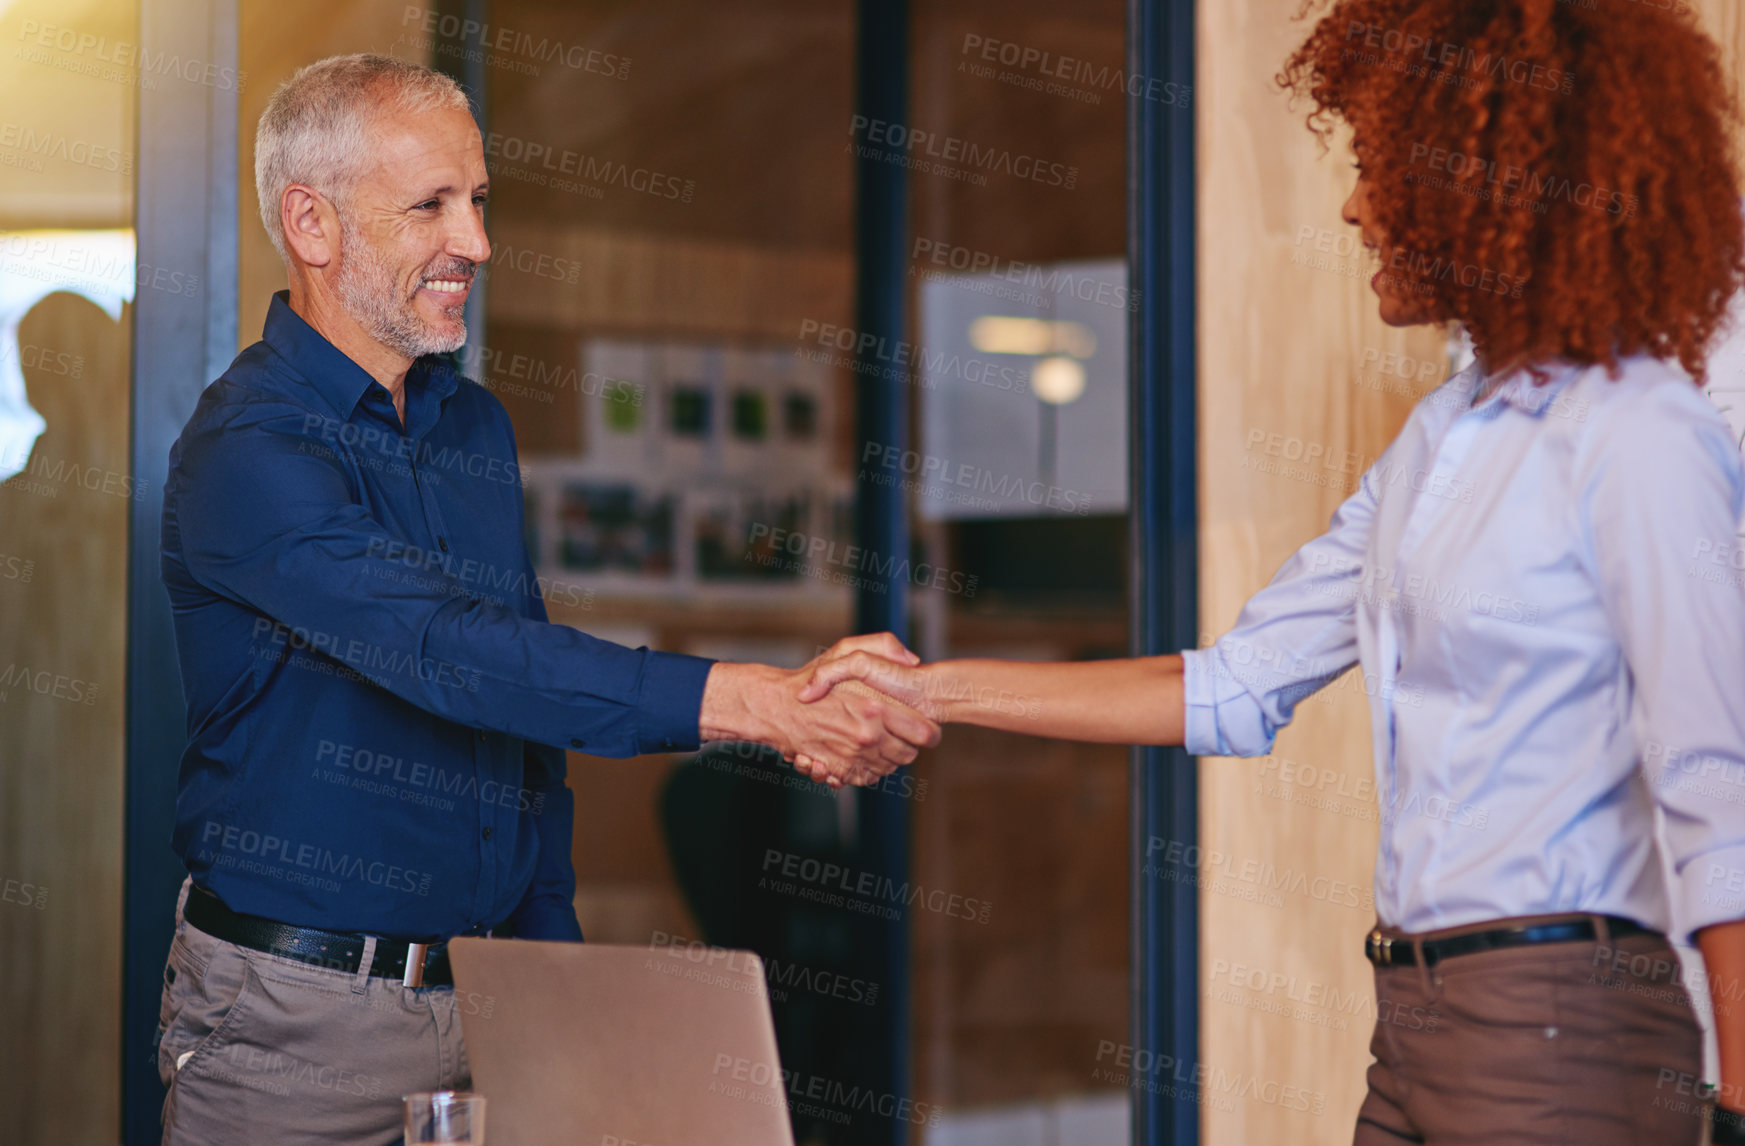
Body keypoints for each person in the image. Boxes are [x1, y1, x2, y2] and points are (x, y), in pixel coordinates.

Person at [799, 1, 1745, 1142]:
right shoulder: (1436, 443)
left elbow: (1717, 792)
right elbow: (1232, 685)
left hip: (1557, 1017)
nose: (1351, 206)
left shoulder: (1636, 428)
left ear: (1486, 182)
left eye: (1375, 167)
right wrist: (926, 689)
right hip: (1411, 1008)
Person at [153, 53, 936, 1145]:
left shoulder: (471, 428)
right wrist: (755, 702)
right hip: (297, 1031)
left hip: (492, 1005)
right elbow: (447, 652)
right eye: (429, 205)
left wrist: (550, 976)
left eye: (476, 201)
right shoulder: (246, 449)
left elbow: (514, 713)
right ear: (313, 225)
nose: (474, 242)